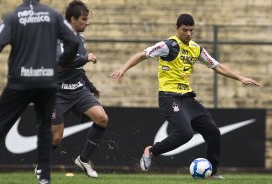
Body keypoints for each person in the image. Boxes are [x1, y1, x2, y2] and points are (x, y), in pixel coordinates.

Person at [111, 13, 261, 179]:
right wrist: (123, 69)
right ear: (177, 29)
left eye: (191, 30)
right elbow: (141, 55)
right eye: (185, 30)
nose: (188, 34)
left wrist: (240, 78)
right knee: (185, 134)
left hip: (188, 99)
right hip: (169, 97)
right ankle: (151, 151)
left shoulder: (196, 48)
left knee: (213, 132)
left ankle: (212, 173)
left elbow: (217, 66)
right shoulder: (168, 45)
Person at [0, 0, 79, 183]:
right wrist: (62, 64)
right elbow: (74, 41)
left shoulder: (13, 17)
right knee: (45, 128)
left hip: (19, 82)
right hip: (46, 82)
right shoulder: (53, 15)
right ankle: (44, 178)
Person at [34, 0, 108, 179]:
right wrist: (85, 58)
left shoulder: (80, 38)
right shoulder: (58, 37)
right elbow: (62, 62)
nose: (87, 22)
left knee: (102, 119)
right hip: (57, 92)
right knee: (57, 137)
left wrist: (90, 86)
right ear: (73, 19)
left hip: (78, 89)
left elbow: (77, 68)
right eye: (83, 19)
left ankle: (83, 159)